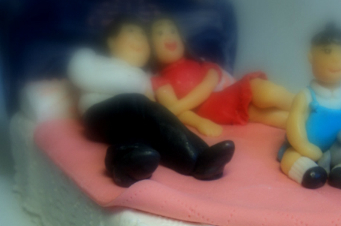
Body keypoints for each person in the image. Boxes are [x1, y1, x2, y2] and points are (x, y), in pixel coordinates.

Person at [68, 15, 235, 187]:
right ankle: (196, 158)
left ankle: (195, 160)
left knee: (154, 126)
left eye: (144, 37)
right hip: (97, 115)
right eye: (132, 31)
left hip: (127, 126)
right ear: (111, 40)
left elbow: (156, 110)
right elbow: (82, 76)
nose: (140, 39)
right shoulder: (91, 58)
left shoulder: (146, 78)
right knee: (138, 104)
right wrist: (137, 83)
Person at [150, 17, 295, 137]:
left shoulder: (200, 64)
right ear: (151, 48)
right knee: (268, 116)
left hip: (226, 95)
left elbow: (205, 86)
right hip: (216, 112)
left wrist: (175, 109)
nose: (169, 36)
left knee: (266, 92)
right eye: (160, 33)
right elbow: (175, 111)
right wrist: (199, 122)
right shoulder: (159, 80)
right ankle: (304, 124)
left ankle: (302, 104)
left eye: (173, 31)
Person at [279, 23, 341, 191]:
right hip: (308, 150)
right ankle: (308, 172)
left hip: (340, 152)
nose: (336, 59)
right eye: (327, 51)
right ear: (311, 57)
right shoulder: (306, 96)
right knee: (290, 156)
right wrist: (302, 145)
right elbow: (294, 122)